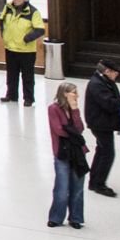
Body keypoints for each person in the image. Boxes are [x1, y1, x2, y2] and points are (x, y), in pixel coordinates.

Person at [49, 82, 89, 229]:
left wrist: (75, 110)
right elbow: (59, 130)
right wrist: (73, 133)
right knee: (62, 187)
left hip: (78, 152)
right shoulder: (53, 109)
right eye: (74, 93)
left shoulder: (74, 110)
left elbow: (80, 128)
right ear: (65, 93)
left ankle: (76, 218)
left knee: (77, 187)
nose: (77, 96)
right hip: (62, 152)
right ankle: (56, 217)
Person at [86, 60, 120, 197]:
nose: (116, 75)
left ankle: (94, 181)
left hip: (103, 122)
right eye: (115, 73)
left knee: (101, 151)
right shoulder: (98, 84)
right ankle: (99, 184)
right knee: (108, 153)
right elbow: (109, 104)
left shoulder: (103, 81)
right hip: (100, 124)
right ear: (107, 71)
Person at [0, 0, 44, 105]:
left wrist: (27, 38)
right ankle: (11, 95)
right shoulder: (8, 8)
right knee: (11, 74)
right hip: (10, 48)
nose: (15, 0)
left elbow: (40, 30)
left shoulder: (33, 12)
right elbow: (1, 20)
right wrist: (4, 35)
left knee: (27, 76)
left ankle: (28, 98)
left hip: (26, 51)